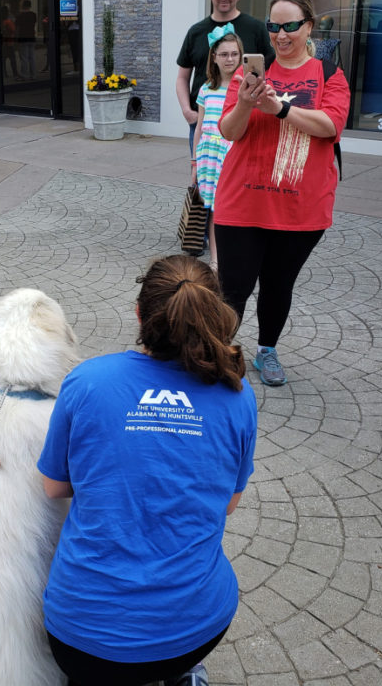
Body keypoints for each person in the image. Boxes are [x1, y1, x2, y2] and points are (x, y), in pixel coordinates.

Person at [38, 255, 257, 686]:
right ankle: (183, 672)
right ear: (212, 315)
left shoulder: (87, 381)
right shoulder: (236, 392)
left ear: (139, 314)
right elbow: (229, 504)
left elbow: (53, 485)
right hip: (197, 629)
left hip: (82, 639)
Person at [215, 0, 351, 386]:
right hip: (243, 203)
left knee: (277, 285)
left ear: (309, 27)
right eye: (274, 26)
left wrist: (281, 109)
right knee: (233, 287)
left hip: (300, 209)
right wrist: (244, 102)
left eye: (291, 25)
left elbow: (331, 126)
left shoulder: (329, 74)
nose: (281, 34)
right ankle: (217, 350)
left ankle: (267, 350)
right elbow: (228, 131)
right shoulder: (249, 73)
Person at [176, 0, 273, 155]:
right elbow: (182, 77)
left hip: (243, 120)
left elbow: (271, 71)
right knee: (202, 173)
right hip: (204, 121)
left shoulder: (256, 29)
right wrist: (187, 111)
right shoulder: (196, 31)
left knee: (237, 180)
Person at [191, 26, 243, 269]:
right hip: (209, 157)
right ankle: (215, 259)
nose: (229, 59)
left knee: (235, 208)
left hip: (235, 156)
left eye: (234, 54)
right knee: (214, 209)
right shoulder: (206, 89)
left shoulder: (245, 89)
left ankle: (237, 255)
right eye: (224, 54)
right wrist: (194, 163)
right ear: (214, 57)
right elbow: (199, 127)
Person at [16, 0, 37, 79]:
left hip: (23, 38)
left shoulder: (19, 16)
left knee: (24, 58)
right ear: (30, 6)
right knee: (32, 57)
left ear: (23, 5)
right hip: (32, 37)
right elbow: (33, 24)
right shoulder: (33, 15)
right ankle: (33, 75)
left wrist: (16, 39)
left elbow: (17, 28)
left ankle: (24, 74)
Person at [0, 4, 20, 79]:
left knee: (3, 59)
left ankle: (4, 73)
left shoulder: (0, 22)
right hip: (9, 42)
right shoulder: (9, 22)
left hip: (2, 43)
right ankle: (15, 73)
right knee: (12, 59)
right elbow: (14, 30)